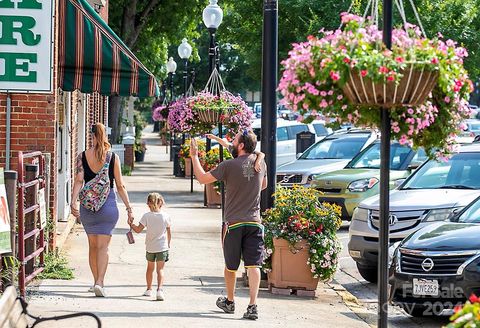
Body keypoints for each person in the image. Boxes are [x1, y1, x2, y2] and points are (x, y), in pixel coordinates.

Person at [190, 130, 267, 320]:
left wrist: (194, 157)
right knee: (253, 265)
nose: (232, 143)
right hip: (255, 222)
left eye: (234, 141)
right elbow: (263, 185)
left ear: (241, 145)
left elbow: (202, 178)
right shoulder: (260, 163)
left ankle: (230, 302)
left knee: (231, 266)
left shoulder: (228, 166)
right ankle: (252, 306)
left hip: (233, 224)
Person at [70, 123, 134, 297]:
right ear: (105, 135)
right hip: (108, 207)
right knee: (103, 248)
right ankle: (100, 282)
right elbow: (120, 185)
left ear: (91, 135)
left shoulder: (81, 156)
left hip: (88, 208)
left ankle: (94, 281)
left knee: (92, 246)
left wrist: (73, 201)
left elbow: (78, 181)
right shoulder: (112, 157)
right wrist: (129, 208)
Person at [128, 193, 171, 301]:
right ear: (161, 203)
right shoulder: (166, 216)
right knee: (160, 269)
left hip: (150, 247)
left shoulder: (146, 216)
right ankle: (160, 290)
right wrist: (168, 243)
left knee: (150, 269)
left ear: (148, 204)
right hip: (162, 247)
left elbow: (138, 230)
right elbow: (169, 232)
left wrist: (131, 225)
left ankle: (148, 289)